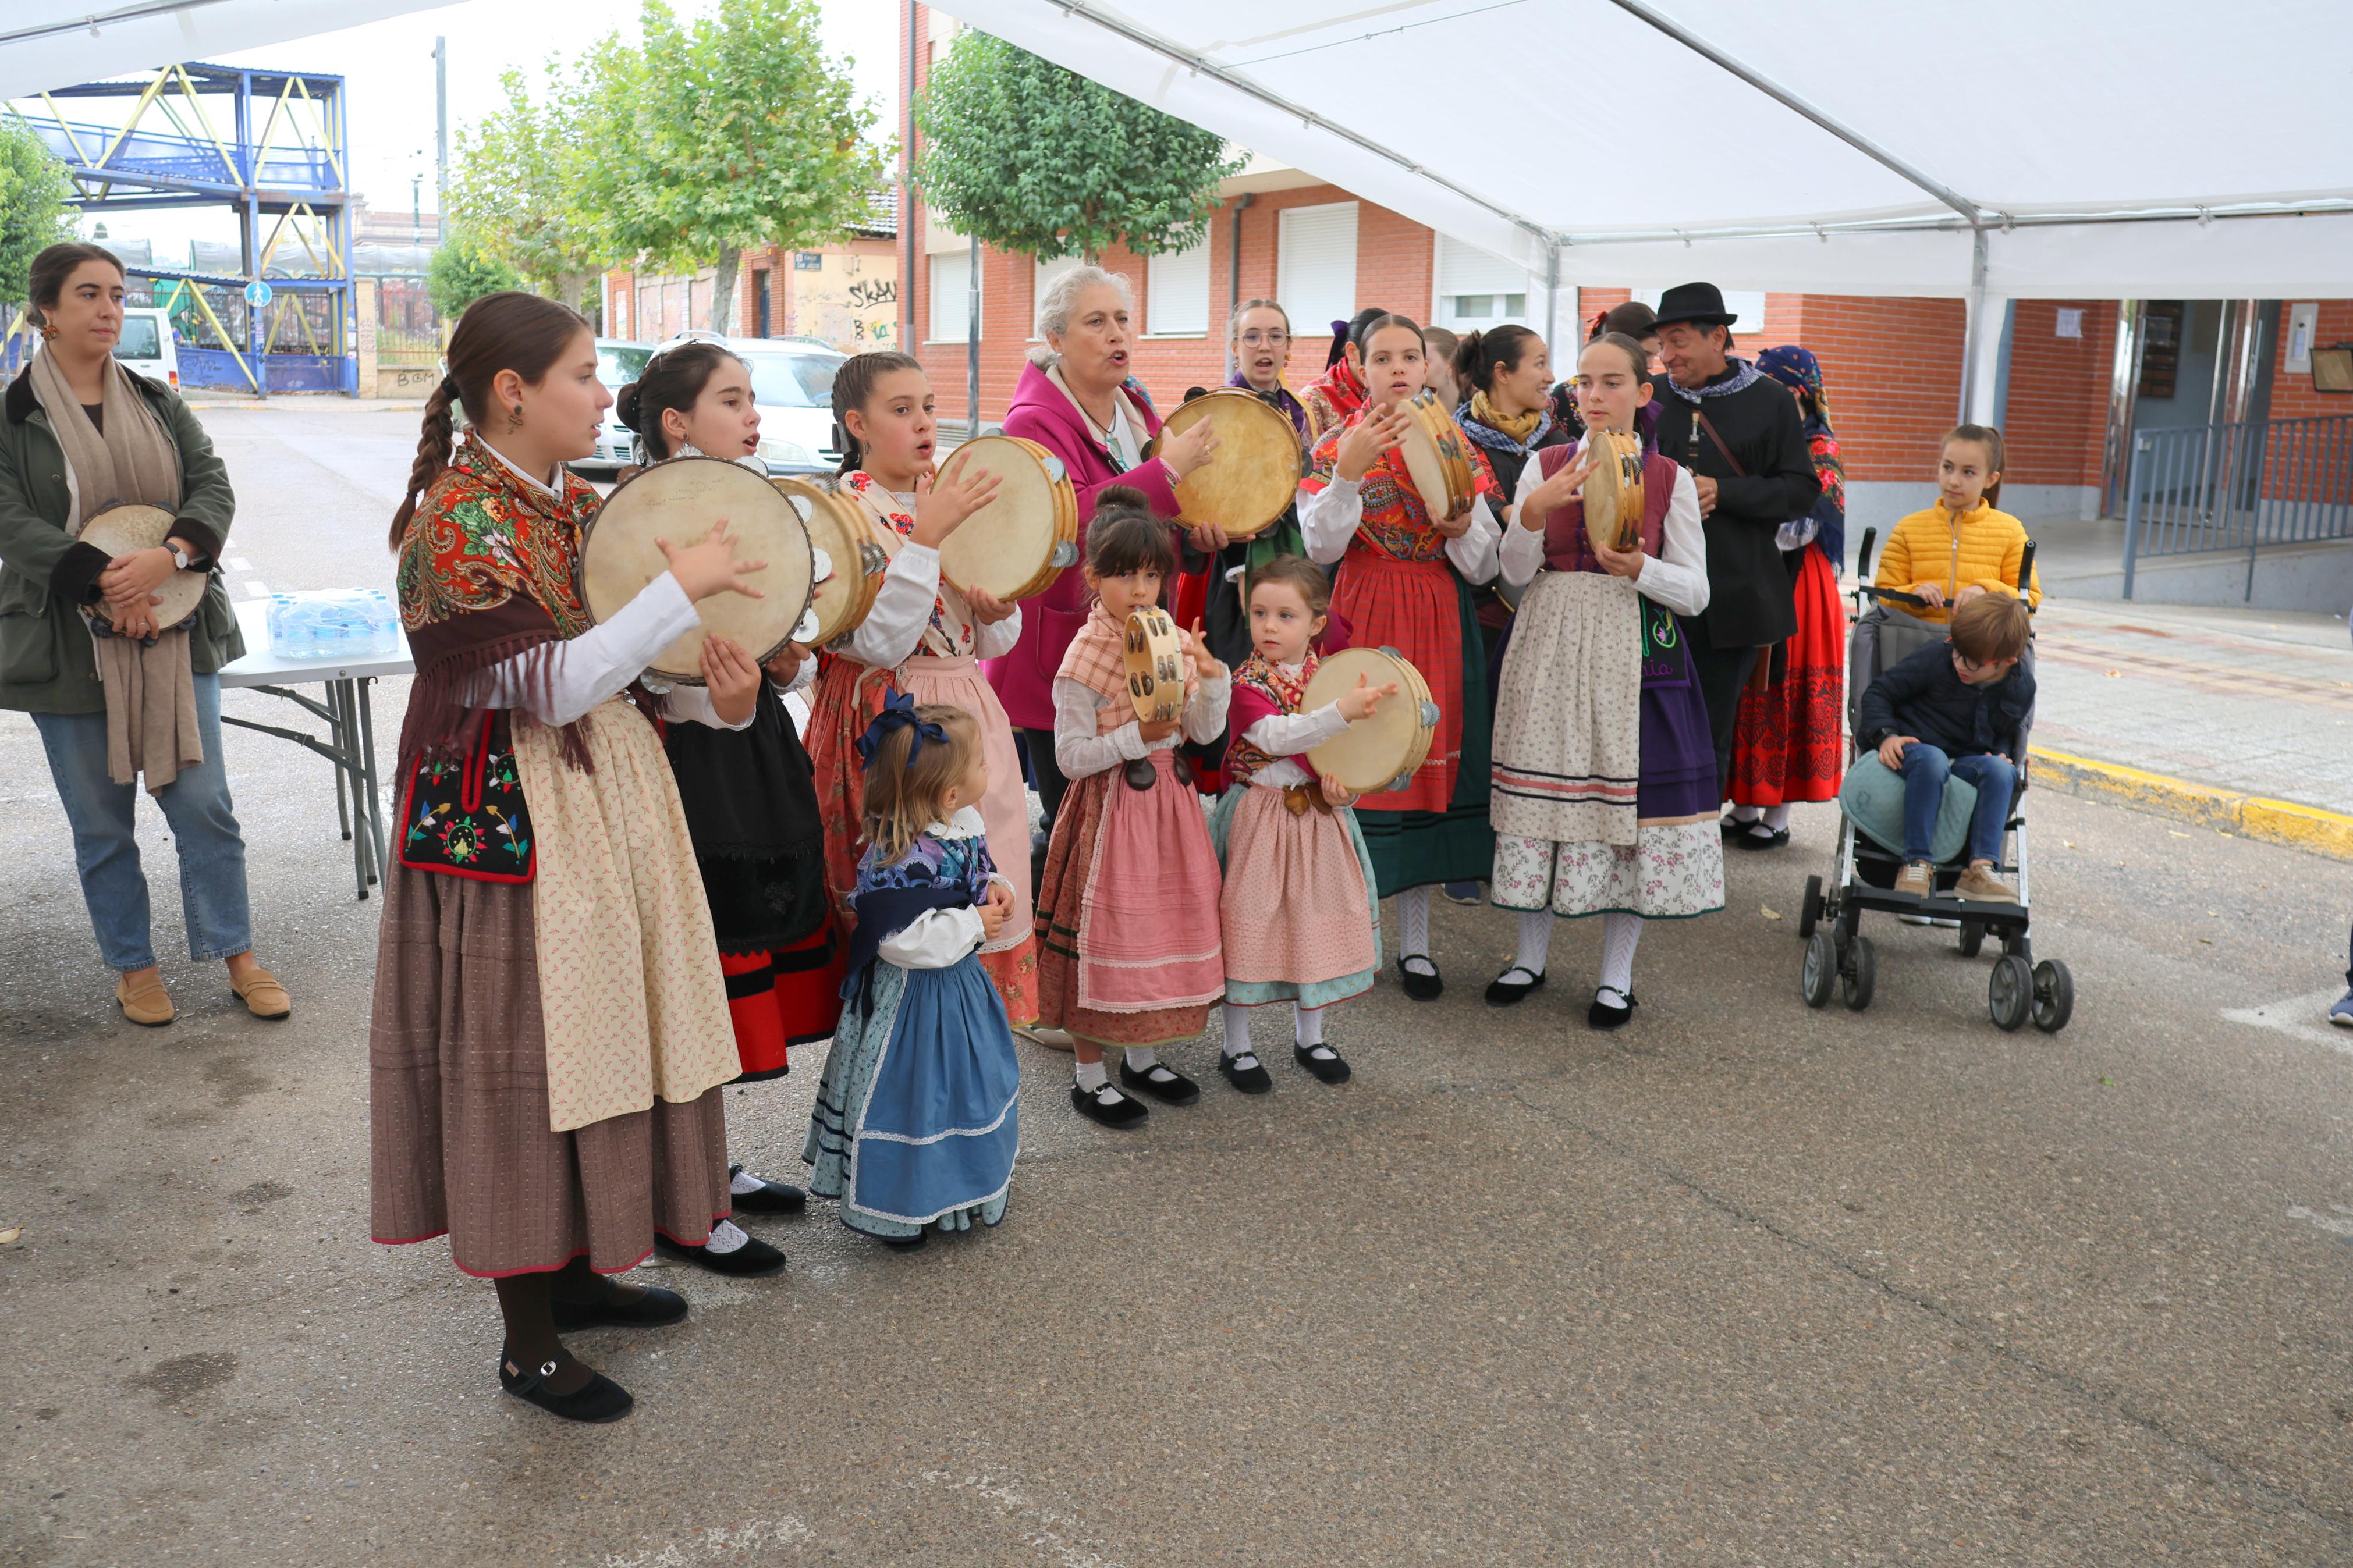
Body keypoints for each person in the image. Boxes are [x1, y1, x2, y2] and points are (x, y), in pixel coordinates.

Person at [372, 290, 763, 1424]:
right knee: (529, 1067)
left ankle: (582, 1276)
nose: (606, 395)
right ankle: (527, 1345)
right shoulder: (450, 528)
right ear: (513, 390)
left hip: (601, 808)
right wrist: (671, 592)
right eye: (587, 375)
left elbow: (627, 678)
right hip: (509, 832)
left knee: (603, 1046)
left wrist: (717, 703)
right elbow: (545, 687)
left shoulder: (573, 510)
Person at [0, 242, 289, 1027]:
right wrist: (104, 579)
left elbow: (211, 482)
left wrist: (167, 558)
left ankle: (238, 954)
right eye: (89, 294)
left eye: (118, 295)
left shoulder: (156, 400)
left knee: (204, 805)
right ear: (47, 313)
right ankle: (134, 967)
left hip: (176, 624)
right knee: (100, 820)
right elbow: (9, 520)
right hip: (66, 644)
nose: (108, 309)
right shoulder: (13, 416)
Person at [616, 340, 842, 1275]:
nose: (752, 414)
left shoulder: (747, 500)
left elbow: (799, 624)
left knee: (730, 968)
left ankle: (710, 1163)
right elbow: (666, 674)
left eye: (751, 398)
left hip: (745, 746)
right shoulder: (645, 519)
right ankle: (688, 1196)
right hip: (691, 765)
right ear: (676, 423)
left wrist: (789, 658)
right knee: (700, 974)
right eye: (731, 399)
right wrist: (742, 691)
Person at [1486, 333, 1723, 1027]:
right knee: (1542, 802)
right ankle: (1529, 957)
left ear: (1644, 394)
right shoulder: (1543, 464)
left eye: (1611, 382)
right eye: (1584, 383)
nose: (1593, 395)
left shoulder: (1668, 479)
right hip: (1551, 637)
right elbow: (1512, 572)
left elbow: (1696, 591)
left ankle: (1614, 977)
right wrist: (1531, 514)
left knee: (1628, 817)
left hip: (1632, 650)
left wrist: (1640, 571)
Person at [807, 351, 1042, 1029]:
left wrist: (1001, 611)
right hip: (892, 716)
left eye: (930, 406)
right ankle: (896, 1045)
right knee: (911, 883)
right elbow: (877, 644)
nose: (923, 424)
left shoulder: (947, 489)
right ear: (857, 423)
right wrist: (928, 539)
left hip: (967, 707)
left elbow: (983, 640)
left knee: (985, 866)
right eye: (901, 409)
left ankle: (971, 1036)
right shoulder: (842, 513)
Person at [1298, 313, 1503, 1000]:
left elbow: (1485, 566)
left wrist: (1460, 527)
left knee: (1424, 775)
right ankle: (1347, 938)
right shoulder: (1334, 443)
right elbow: (1321, 548)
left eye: (1409, 357)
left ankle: (1414, 945)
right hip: (1363, 605)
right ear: (1357, 363)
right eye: (1381, 356)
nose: (1396, 368)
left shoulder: (1457, 449)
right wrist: (1349, 477)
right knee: (1357, 767)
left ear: (1427, 368)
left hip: (1437, 610)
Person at [987, 267, 1218, 836]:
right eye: (1096, 321)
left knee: (1127, 821)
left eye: (1122, 320)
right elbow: (1068, 518)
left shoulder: (1136, 404)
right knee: (1074, 820)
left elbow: (1156, 512)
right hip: (1066, 646)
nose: (1117, 334)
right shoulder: (1031, 420)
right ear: (1056, 340)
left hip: (1135, 634)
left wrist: (1192, 537)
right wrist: (1165, 471)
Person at [1032, 495, 1231, 1128]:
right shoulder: (1082, 657)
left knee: (1157, 930)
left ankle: (1141, 1059)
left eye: (1151, 575)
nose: (1141, 589)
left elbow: (1198, 730)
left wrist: (1214, 681)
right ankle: (1090, 1073)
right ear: (1093, 578)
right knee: (1106, 936)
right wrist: (1134, 741)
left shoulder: (1170, 637)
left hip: (1168, 810)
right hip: (1110, 813)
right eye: (1125, 575)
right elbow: (1067, 757)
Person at [805, 699, 1022, 1247]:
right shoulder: (901, 858)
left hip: (958, 990)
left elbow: (978, 867)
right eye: (979, 763)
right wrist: (973, 922)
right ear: (949, 793)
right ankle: (902, 1205)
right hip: (913, 1003)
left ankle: (958, 1186)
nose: (986, 769)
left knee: (963, 1086)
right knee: (916, 1094)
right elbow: (903, 941)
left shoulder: (959, 822)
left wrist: (995, 887)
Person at [1207, 556, 1387, 1091]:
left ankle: (1310, 1035)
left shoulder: (1329, 675)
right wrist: (1341, 712)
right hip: (1259, 819)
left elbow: (1349, 753)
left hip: (1318, 820)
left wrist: (1345, 789)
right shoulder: (1245, 683)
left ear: (1315, 622)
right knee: (1246, 925)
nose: (1268, 626)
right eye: (1259, 612)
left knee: (1313, 923)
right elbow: (1278, 737)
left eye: (1285, 615)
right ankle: (1234, 1046)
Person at [1648, 282, 1822, 797]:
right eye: (1661, 344)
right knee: (1646, 726)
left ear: (1718, 337)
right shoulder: (1650, 397)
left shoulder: (1769, 399)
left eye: (1677, 341)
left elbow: (1801, 491)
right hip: (1654, 592)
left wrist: (1723, 492)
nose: (1667, 355)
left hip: (1735, 593)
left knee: (1707, 729)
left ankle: (1694, 846)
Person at [1448, 322, 1570, 905]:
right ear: (1502, 373)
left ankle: (1519, 851)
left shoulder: (1562, 441)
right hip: (1474, 606)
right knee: (1476, 725)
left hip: (1542, 605)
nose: (1550, 375)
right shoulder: (1454, 441)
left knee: (1527, 731)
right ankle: (1465, 850)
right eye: (1539, 363)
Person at [1723, 344, 1850, 851]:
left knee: (1784, 685)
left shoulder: (1820, 449)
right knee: (1750, 686)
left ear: (1795, 393)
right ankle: (1745, 800)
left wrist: (1744, 513)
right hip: (1759, 572)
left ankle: (1777, 810)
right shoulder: (1768, 441)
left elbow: (1799, 526)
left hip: (1798, 582)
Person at [1857, 592, 2036, 903]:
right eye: (1957, 651)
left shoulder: (2021, 687)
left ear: (2008, 662)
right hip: (1913, 751)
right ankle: (1916, 862)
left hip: (1966, 762)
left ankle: (1980, 869)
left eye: (1971, 662)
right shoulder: (1938, 658)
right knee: (1933, 758)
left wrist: (2004, 752)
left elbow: (2008, 730)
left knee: (2000, 771)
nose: (1958, 663)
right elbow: (1879, 693)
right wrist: (1886, 735)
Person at [1873, 424, 2043, 624]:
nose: (1953, 481)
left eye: (1968, 472)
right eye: (1948, 467)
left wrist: (1986, 591)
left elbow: (2029, 602)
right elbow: (1882, 595)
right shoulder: (1908, 529)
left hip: (1981, 648)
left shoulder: (2010, 531)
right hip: (1915, 645)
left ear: (1990, 479)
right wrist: (1913, 594)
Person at [1552, 301, 1658, 439]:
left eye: (1654, 355)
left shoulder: (1656, 392)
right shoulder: (1561, 397)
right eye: (1645, 354)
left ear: (1643, 394)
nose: (1650, 365)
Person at [1301, 305, 1391, 442]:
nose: (1395, 367)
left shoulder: (1401, 391)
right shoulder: (1314, 399)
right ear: (1351, 351)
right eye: (1382, 358)